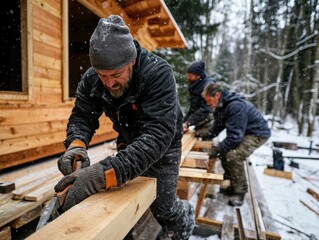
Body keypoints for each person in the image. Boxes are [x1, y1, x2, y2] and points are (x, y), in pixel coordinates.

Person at [54, 15, 195, 239]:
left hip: (163, 144)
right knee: (116, 204)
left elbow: (158, 135)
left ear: (132, 61)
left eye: (116, 75)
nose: (109, 83)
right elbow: (83, 115)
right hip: (128, 139)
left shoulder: (157, 74)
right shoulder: (92, 79)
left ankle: (184, 219)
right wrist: (76, 145)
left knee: (163, 207)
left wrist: (102, 174)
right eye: (103, 76)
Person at [201, 82, 271, 206]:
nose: (208, 104)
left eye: (209, 100)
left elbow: (235, 137)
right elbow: (218, 126)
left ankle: (240, 192)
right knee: (224, 153)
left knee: (234, 156)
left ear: (217, 95)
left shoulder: (235, 106)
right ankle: (230, 184)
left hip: (257, 133)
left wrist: (216, 149)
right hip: (244, 132)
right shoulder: (222, 106)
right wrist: (204, 135)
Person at [183, 60, 215, 138]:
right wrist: (184, 122)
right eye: (188, 75)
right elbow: (193, 108)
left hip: (209, 121)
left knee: (203, 140)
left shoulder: (208, 86)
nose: (188, 77)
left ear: (198, 76)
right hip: (201, 120)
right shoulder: (195, 85)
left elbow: (206, 109)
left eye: (190, 75)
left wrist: (188, 123)